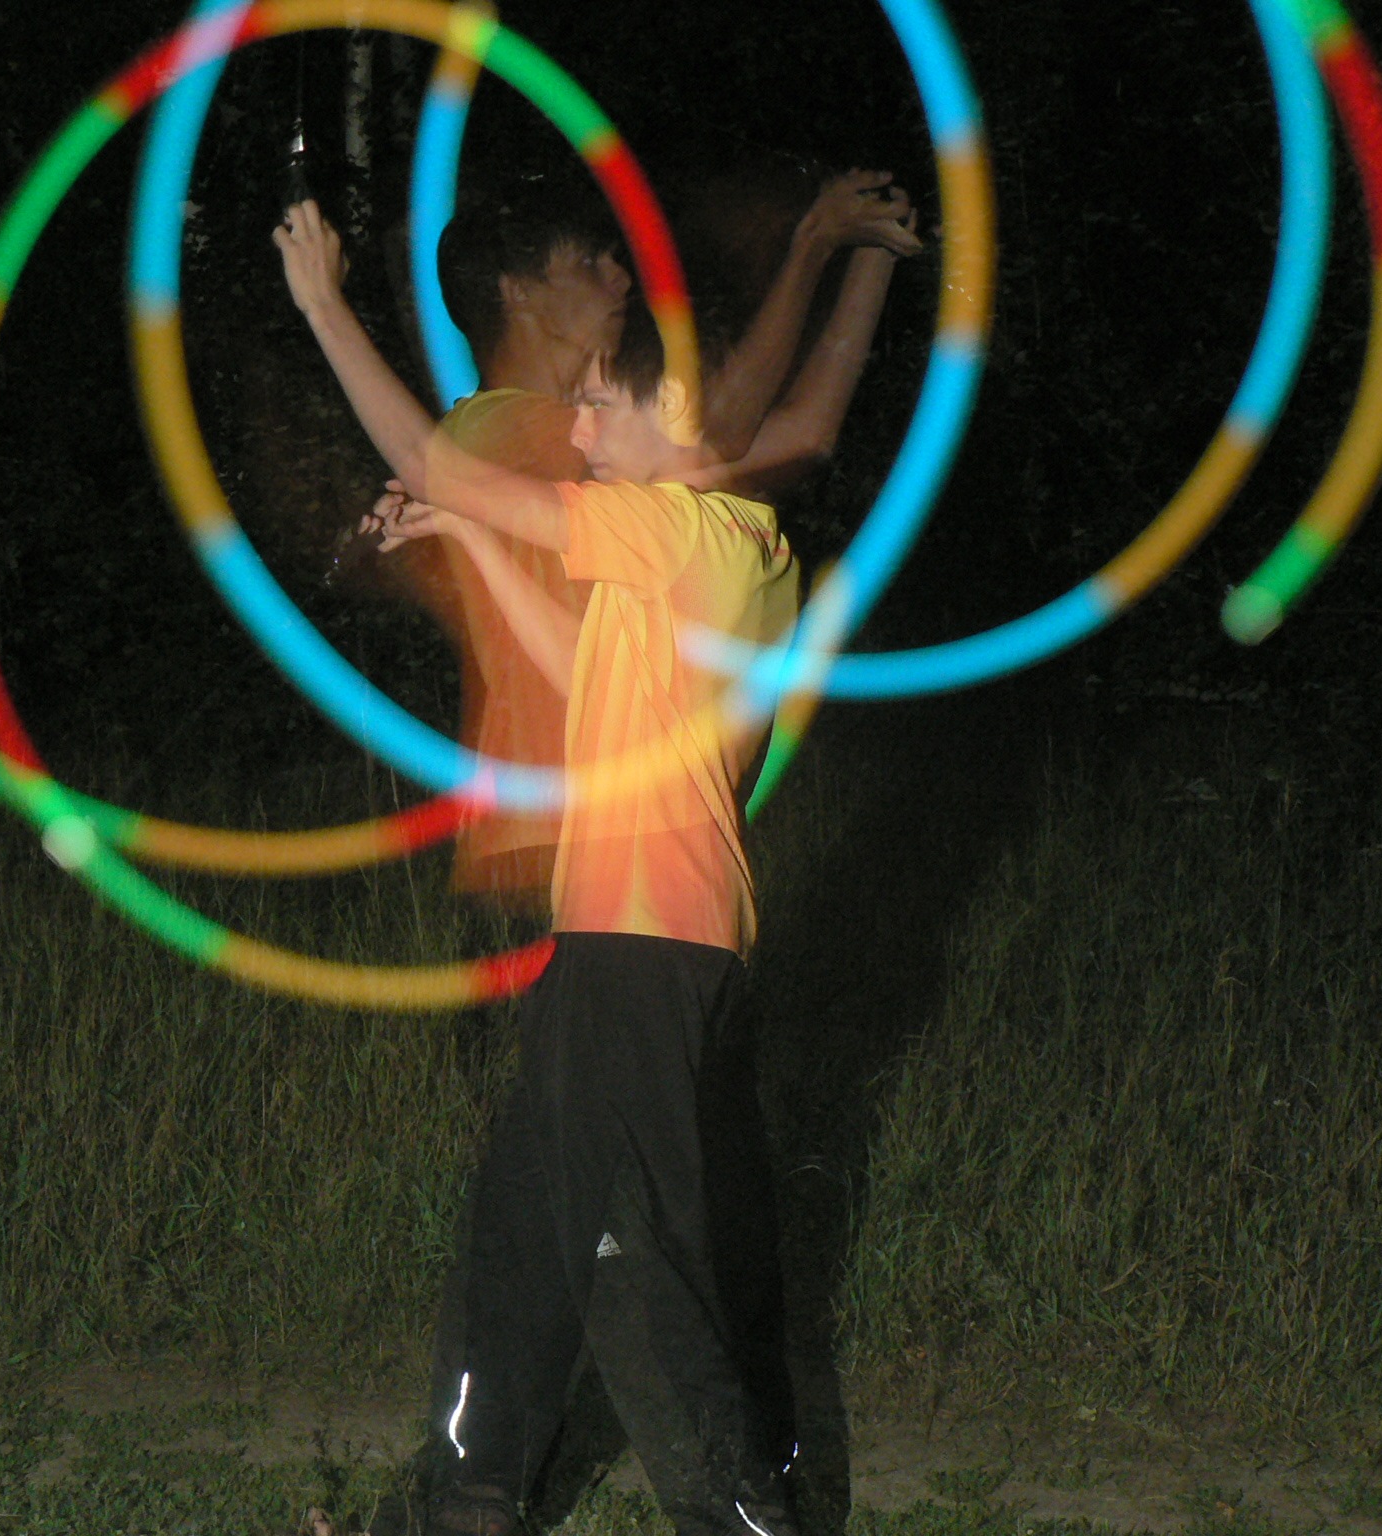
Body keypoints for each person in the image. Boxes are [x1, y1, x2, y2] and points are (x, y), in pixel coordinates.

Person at [277, 194, 845, 1535]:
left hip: (641, 944)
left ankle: (740, 1516)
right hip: (640, 937)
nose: (578, 426)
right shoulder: (712, 558)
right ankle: (466, 1501)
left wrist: (324, 309)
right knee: (530, 1223)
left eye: (600, 403)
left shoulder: (678, 531)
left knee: (634, 1260)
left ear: (676, 418)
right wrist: (473, 540)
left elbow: (429, 453)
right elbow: (570, 666)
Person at [384, 171, 918, 911]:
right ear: (518, 291)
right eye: (589, 263)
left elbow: (804, 432)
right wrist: (812, 244)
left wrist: (876, 251)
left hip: (615, 832)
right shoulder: (502, 431)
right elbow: (716, 430)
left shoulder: (597, 442)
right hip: (555, 838)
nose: (621, 279)